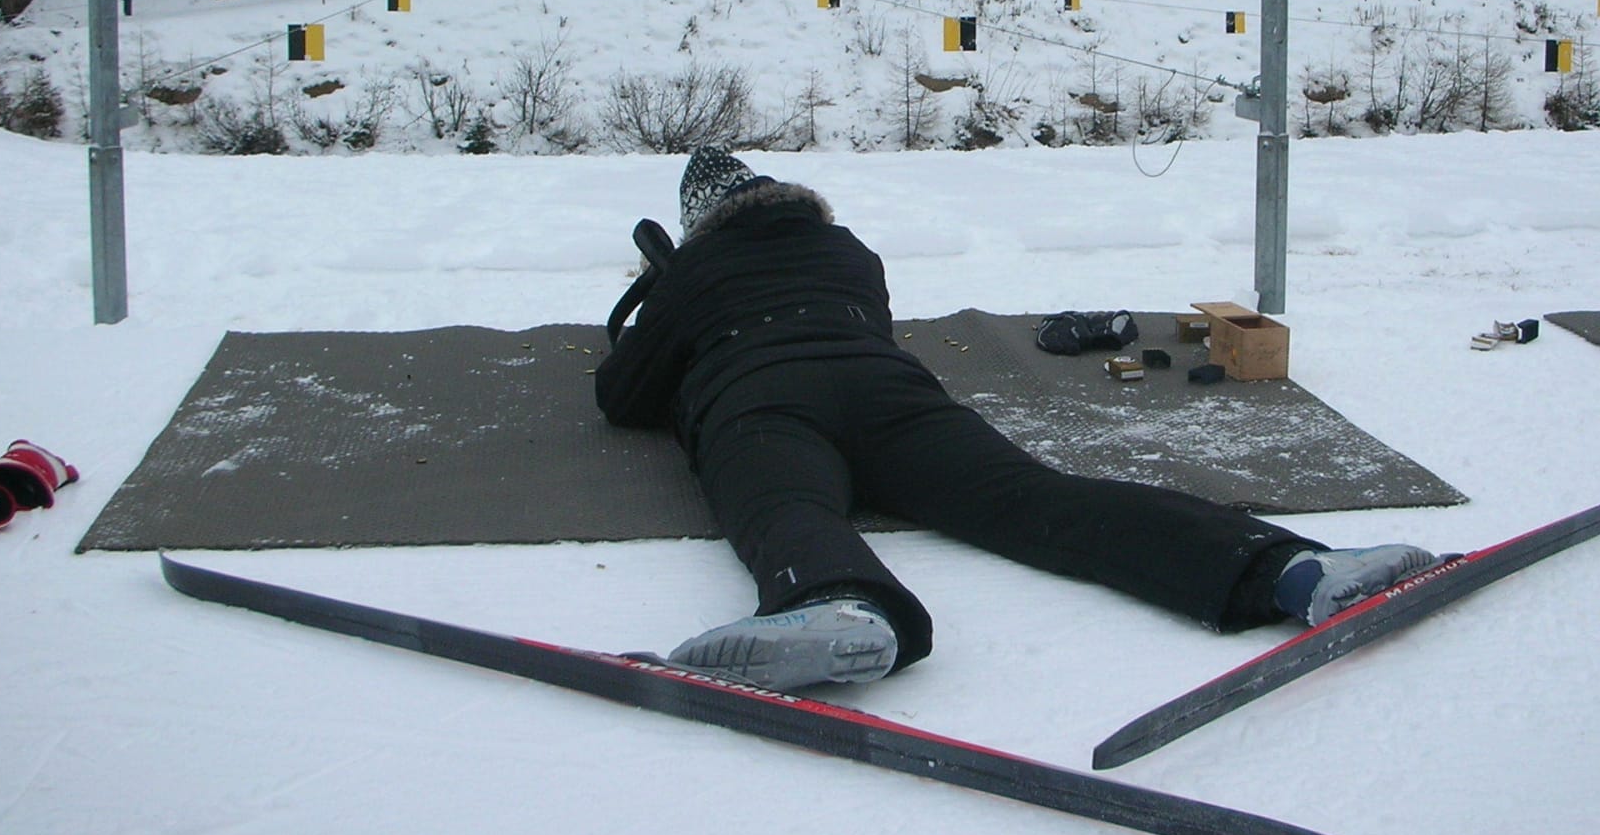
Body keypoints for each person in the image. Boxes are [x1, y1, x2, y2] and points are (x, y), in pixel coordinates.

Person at [594, 147, 1437, 691]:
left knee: (787, 508)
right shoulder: (847, 249)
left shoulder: (692, 271)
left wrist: (657, 295)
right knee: (1038, 499)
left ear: (699, 222)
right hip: (891, 394)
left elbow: (624, 397)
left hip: (762, 403)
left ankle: (838, 601)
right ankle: (1289, 570)